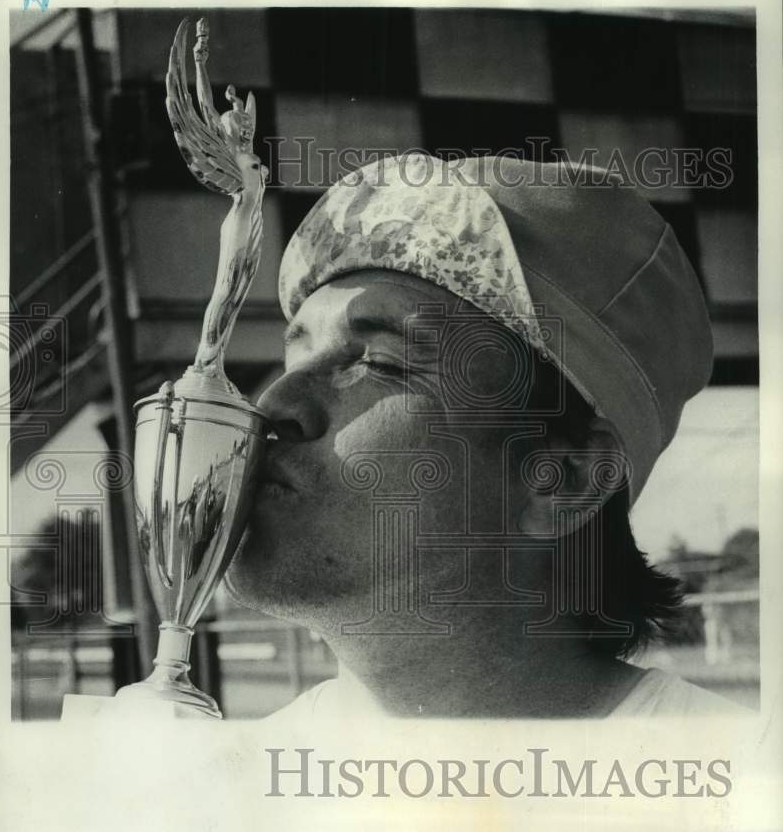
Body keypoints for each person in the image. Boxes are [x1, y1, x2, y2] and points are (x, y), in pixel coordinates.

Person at [225, 153, 740, 719]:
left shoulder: (741, 782)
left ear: (561, 479)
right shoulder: (226, 780)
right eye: (294, 355)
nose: (273, 404)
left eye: (381, 361)